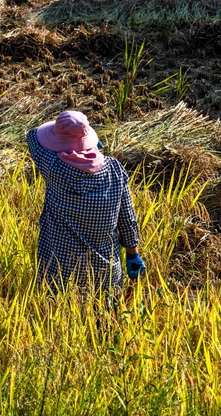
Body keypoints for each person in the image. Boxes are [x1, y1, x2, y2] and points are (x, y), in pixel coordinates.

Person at [26, 111, 144, 292]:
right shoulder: (114, 169)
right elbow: (127, 219)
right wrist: (133, 254)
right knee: (104, 318)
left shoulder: (52, 166)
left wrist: (66, 135)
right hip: (107, 276)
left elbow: (32, 136)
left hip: (59, 273)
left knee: (59, 317)